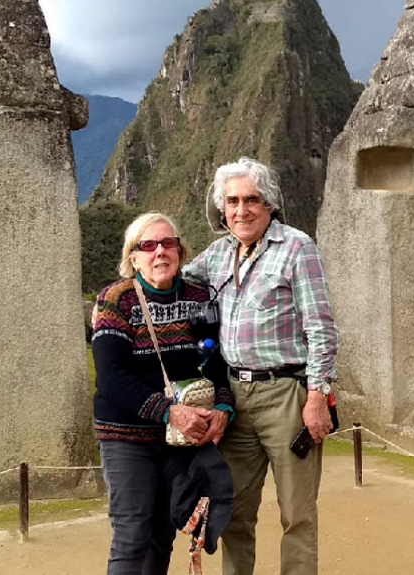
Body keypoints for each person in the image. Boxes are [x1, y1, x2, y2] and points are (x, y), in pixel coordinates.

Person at [183, 158, 339, 575]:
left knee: (297, 513)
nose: (241, 210)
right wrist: (123, 295)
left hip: (287, 394)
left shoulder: (296, 248)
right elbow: (171, 280)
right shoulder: (217, 254)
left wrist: (317, 396)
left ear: (268, 203)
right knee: (233, 511)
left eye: (251, 199)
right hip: (233, 398)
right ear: (221, 207)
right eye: (232, 201)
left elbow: (321, 327)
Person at [92, 212, 236, 575]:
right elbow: (111, 377)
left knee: (162, 532)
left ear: (180, 251)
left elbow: (218, 361)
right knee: (131, 533)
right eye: (148, 245)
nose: (159, 252)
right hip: (127, 434)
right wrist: (169, 412)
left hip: (180, 441)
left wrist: (223, 406)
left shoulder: (198, 298)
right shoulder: (116, 301)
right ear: (133, 257)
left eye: (167, 243)